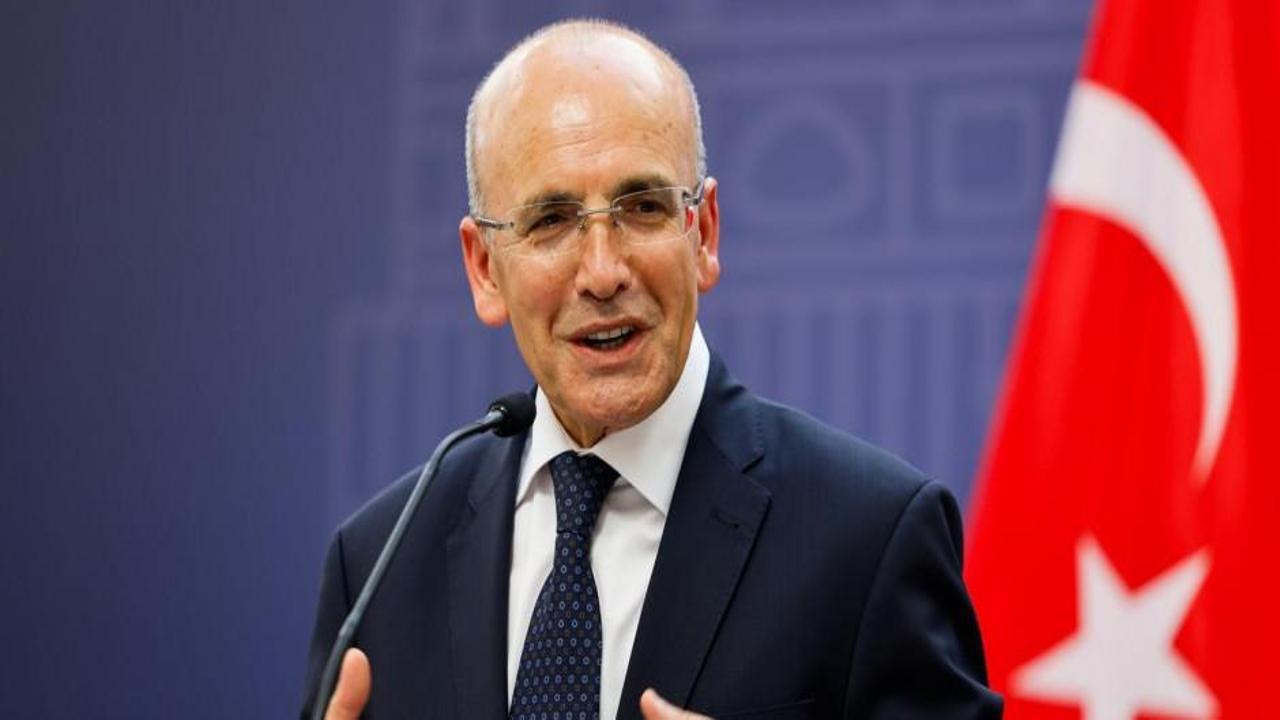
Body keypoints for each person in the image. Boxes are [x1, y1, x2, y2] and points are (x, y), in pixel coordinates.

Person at [301, 18, 1001, 720]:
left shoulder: (870, 537)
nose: (603, 272)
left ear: (704, 232)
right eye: (551, 221)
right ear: (484, 269)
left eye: (642, 208)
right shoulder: (379, 565)